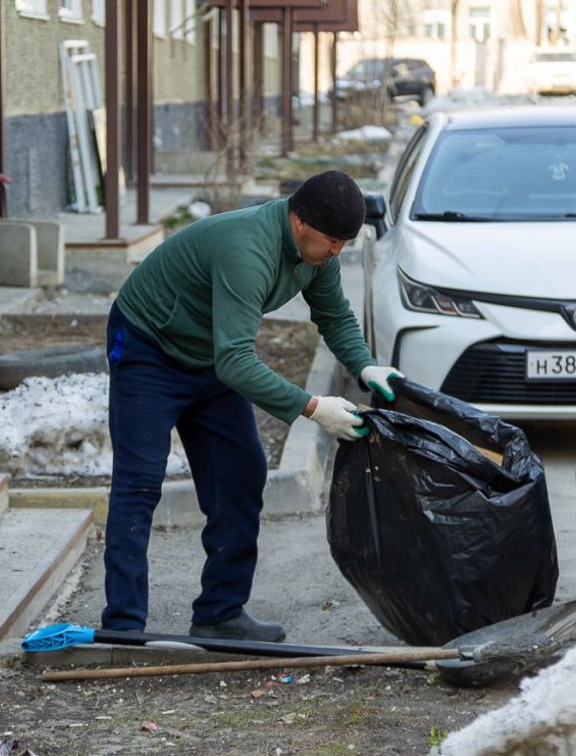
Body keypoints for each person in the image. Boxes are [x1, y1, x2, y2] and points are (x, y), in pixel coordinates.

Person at [101, 169, 404, 642]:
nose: (336, 253)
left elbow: (333, 314)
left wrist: (366, 367)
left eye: (345, 243)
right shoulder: (248, 249)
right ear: (300, 221)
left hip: (211, 355)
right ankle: (121, 626)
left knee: (240, 476)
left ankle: (220, 612)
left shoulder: (317, 255)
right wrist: (313, 408)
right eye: (331, 241)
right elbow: (237, 364)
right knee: (139, 485)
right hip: (148, 346)